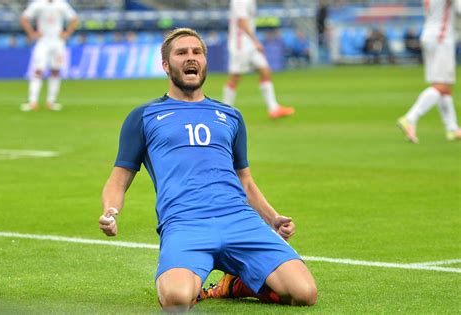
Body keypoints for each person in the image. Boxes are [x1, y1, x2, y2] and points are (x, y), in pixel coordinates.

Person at [98, 28, 317, 312]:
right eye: (181, 53)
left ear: (204, 61)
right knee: (177, 299)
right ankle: (212, 279)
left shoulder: (230, 115)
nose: (191, 58)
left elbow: (245, 180)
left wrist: (272, 218)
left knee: (305, 293)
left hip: (239, 220)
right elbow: (118, 179)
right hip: (185, 223)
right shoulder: (143, 117)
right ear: (166, 65)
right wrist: (110, 211)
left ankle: (235, 285)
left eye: (197, 52)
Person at [398, 0, 461, 143]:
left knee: (446, 86)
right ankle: (410, 118)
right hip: (442, 37)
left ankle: (452, 129)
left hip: (430, 33)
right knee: (441, 86)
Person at [223, 0, 295, 120]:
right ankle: (224, 111)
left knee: (265, 71)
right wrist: (255, 41)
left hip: (249, 44)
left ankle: (273, 108)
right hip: (240, 45)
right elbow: (242, 22)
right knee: (235, 77)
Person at [20, 0, 78, 111]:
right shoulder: (38, 4)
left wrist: (67, 33)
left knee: (56, 70)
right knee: (38, 70)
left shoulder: (62, 4)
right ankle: (33, 102)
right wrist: (32, 33)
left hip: (58, 42)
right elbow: (24, 18)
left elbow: (74, 19)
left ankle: (51, 102)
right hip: (43, 42)